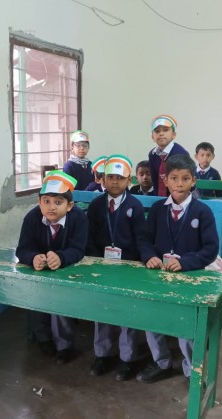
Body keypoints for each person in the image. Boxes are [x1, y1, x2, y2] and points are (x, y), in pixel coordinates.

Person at [137, 154, 219, 383]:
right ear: (165, 180)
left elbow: (210, 249)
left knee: (186, 327)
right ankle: (161, 362)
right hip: (160, 275)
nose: (179, 184)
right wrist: (149, 256)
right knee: (152, 319)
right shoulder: (157, 209)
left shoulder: (202, 211)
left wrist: (185, 262)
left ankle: (191, 370)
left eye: (185, 178)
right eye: (174, 178)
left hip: (190, 278)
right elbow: (144, 239)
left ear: (194, 180)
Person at [15, 170, 87, 364]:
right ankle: (43, 338)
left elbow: (79, 249)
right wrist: (33, 258)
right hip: (39, 271)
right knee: (36, 297)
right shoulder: (32, 218)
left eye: (58, 202)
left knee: (60, 303)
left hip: (67, 271)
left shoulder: (79, 218)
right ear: (39, 202)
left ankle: (64, 345)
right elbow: (23, 249)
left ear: (69, 205)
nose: (51, 207)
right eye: (46, 201)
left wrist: (61, 258)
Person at [86, 155, 146, 381]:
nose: (114, 181)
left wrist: (137, 264)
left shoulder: (135, 206)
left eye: (120, 178)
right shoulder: (96, 205)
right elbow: (89, 236)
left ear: (129, 180)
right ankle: (102, 354)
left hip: (128, 267)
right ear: (103, 179)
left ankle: (127, 358)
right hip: (101, 266)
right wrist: (96, 260)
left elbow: (141, 238)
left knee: (126, 313)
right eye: (110, 177)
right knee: (101, 310)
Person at [148, 115, 189, 197]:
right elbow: (155, 180)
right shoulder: (152, 154)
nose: (161, 133)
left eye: (166, 130)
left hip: (181, 197)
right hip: (159, 197)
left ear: (174, 135)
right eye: (157, 131)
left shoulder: (180, 154)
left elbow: (184, 181)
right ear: (152, 137)